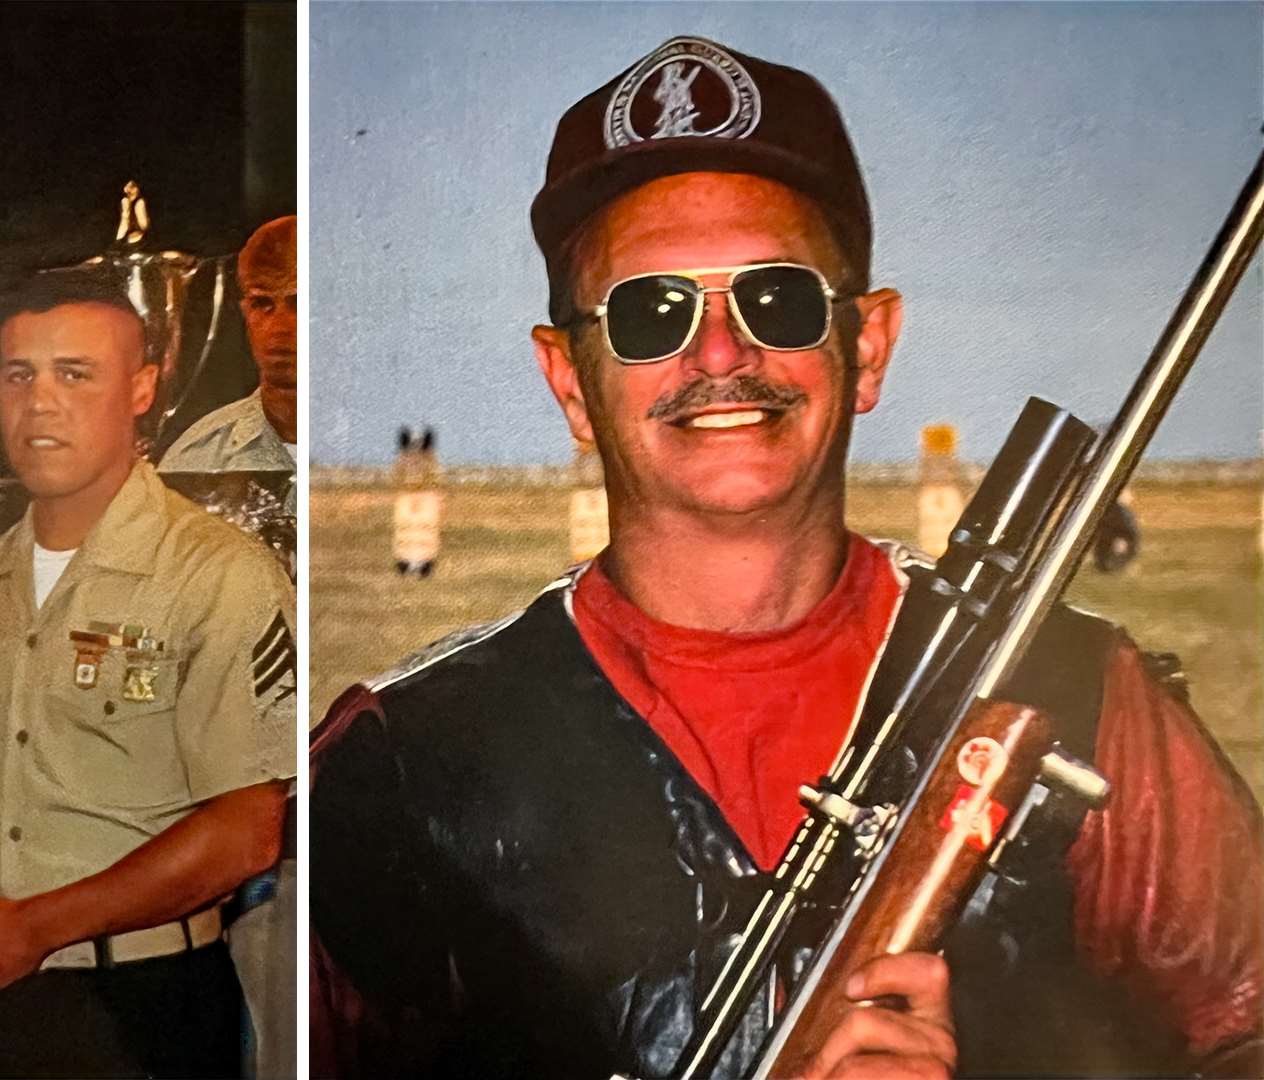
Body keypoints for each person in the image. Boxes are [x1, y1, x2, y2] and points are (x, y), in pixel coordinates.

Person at [310, 35, 1264, 1079]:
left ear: (869, 347)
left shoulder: (1076, 695)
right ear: (570, 380)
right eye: (650, 312)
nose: (720, 354)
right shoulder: (396, 761)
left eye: (778, 299)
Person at [0, 274, 295, 1078]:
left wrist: (41, 926)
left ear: (143, 388)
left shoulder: (220, 575)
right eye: (21, 375)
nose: (42, 402)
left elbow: (246, 830)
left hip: (142, 1008)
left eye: (76, 373)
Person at [159, 214, 298, 507]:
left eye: (298, 303)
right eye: (262, 304)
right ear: (244, 311)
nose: (279, 328)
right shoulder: (198, 458)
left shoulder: (361, 446)